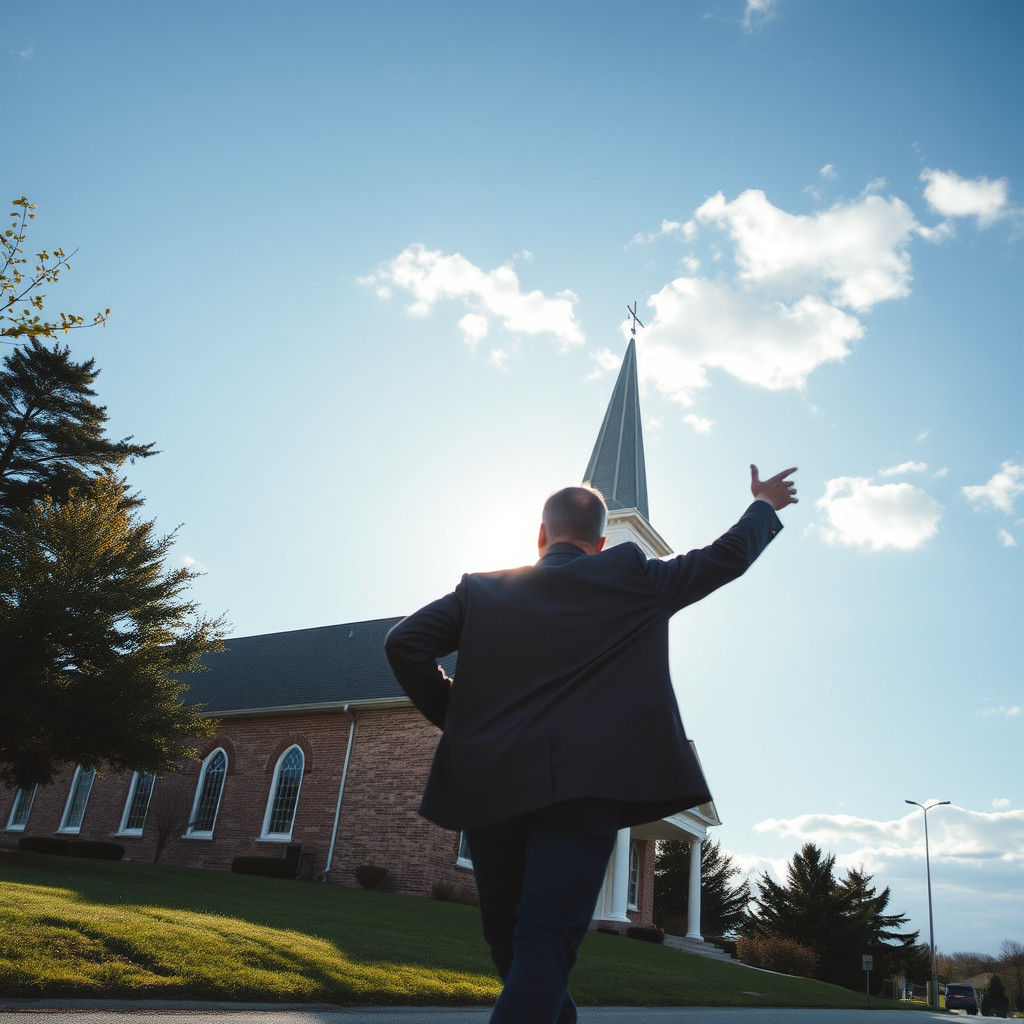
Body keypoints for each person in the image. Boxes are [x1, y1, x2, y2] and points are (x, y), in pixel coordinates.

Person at [384, 464, 798, 1023]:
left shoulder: (482, 591)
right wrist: (763, 505)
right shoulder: (634, 579)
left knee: (511, 945)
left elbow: (404, 642)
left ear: (539, 535)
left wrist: (462, 722)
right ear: (601, 543)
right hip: (584, 794)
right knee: (541, 946)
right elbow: (726, 557)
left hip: (490, 789)